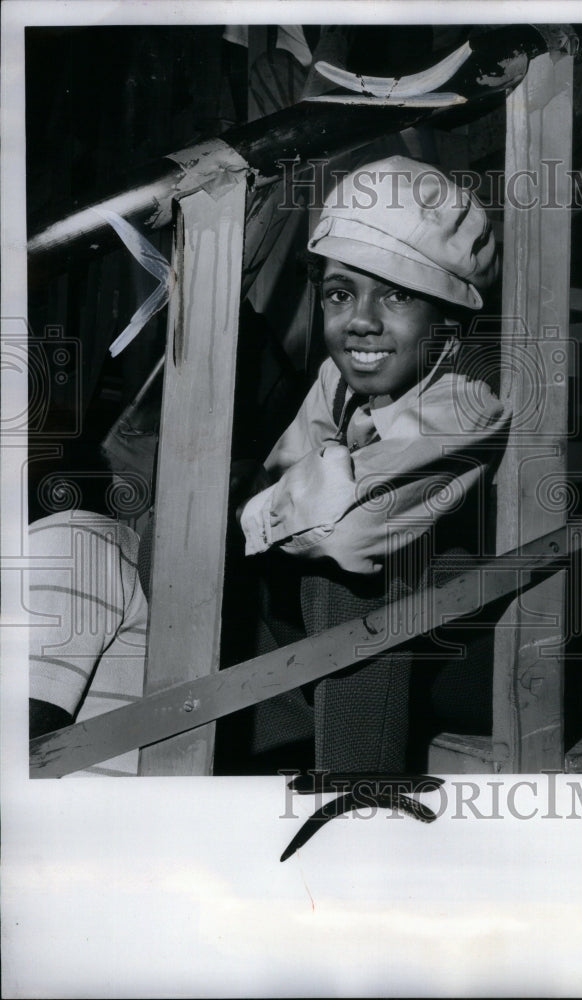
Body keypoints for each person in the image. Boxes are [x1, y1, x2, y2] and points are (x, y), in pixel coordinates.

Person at [28, 155, 510, 775]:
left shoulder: (467, 399)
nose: (361, 321)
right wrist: (231, 518)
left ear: (451, 319)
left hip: (460, 660)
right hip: (359, 657)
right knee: (170, 543)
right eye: (341, 293)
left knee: (339, 566)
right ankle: (270, 741)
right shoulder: (336, 382)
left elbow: (348, 530)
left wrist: (260, 511)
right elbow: (274, 486)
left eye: (397, 295)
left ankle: (360, 785)